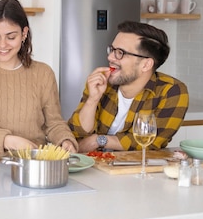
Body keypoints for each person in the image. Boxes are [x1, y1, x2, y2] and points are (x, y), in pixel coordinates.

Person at [0, 0, 78, 159]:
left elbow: (54, 123)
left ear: (24, 33)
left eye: (11, 37)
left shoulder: (43, 73)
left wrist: (65, 140)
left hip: (33, 168)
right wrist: (10, 141)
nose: (2, 45)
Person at [68, 21, 189, 152]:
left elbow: (151, 142)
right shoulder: (101, 82)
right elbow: (76, 134)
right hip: (94, 167)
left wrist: (98, 140)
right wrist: (92, 99)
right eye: (112, 50)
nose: (110, 57)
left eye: (120, 52)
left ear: (146, 65)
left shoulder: (172, 91)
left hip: (135, 169)